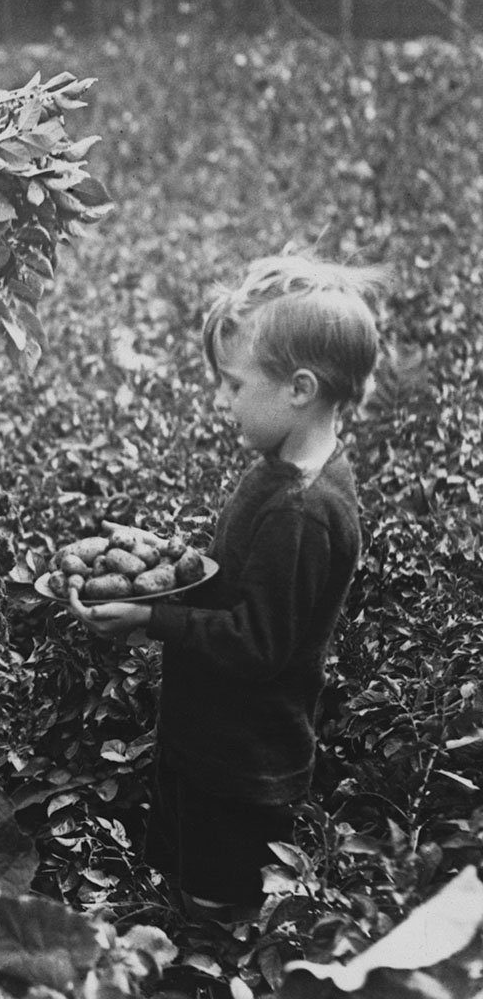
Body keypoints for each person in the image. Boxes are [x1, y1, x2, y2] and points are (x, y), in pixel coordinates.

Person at [73, 253, 386, 923]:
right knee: (188, 886)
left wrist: (154, 623)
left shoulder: (304, 510)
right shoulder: (279, 470)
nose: (221, 401)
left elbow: (255, 645)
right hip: (210, 737)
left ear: (299, 388)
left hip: (242, 763)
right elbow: (237, 578)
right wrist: (164, 570)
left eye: (233, 384)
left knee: (217, 913)